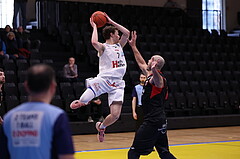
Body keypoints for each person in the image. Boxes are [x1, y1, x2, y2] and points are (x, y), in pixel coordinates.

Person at [70, 13, 130, 142]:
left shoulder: (119, 46)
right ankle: (81, 102)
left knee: (115, 115)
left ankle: (101, 127)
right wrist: (94, 27)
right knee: (84, 99)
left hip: (117, 83)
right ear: (111, 35)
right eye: (116, 33)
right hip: (104, 80)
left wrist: (110, 21)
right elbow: (93, 42)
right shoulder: (103, 47)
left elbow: (127, 32)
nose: (119, 35)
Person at [0, 64, 75, 159]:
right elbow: (67, 156)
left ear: (26, 86)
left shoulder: (9, 118)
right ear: (53, 86)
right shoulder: (57, 116)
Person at [127, 31, 176, 159]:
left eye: (150, 59)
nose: (147, 60)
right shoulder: (149, 75)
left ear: (154, 63)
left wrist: (154, 71)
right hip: (159, 120)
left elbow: (159, 82)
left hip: (152, 121)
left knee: (133, 152)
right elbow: (141, 63)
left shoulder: (158, 79)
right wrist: (133, 46)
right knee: (164, 152)